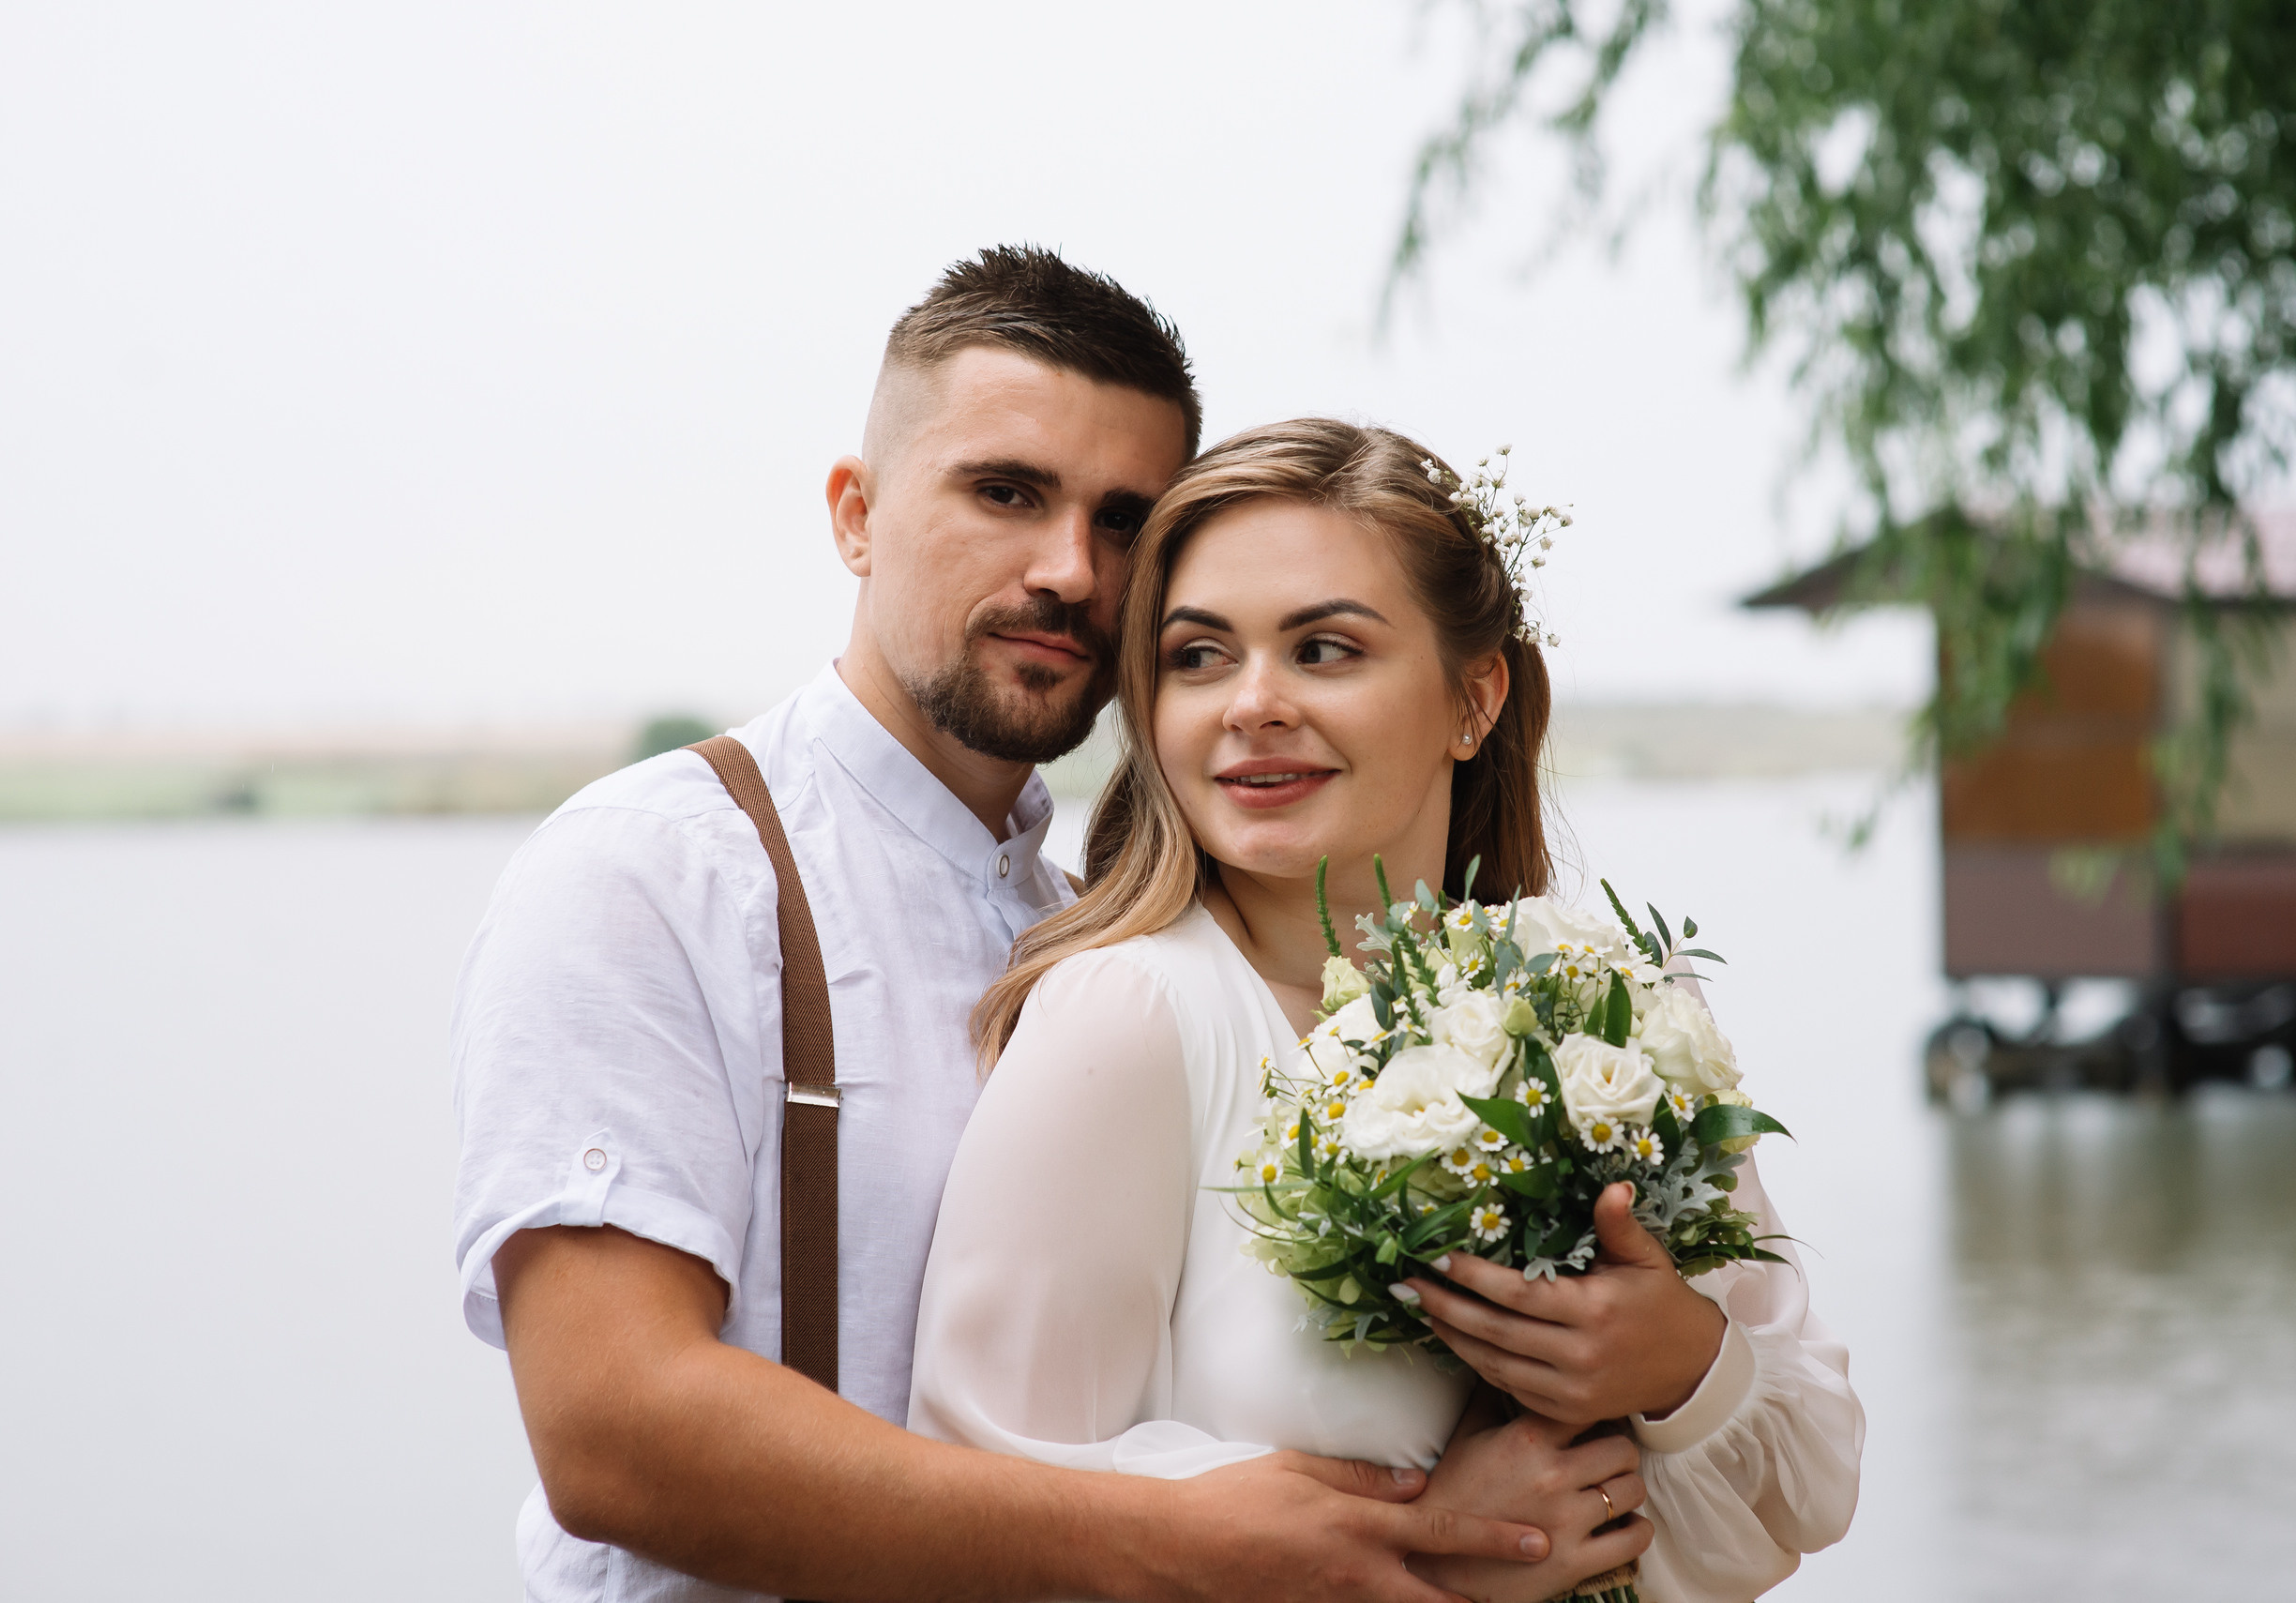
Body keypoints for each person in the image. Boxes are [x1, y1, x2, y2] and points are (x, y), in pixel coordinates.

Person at [450, 249, 1573, 1603]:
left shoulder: (1121, 930)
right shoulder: (654, 876)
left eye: (1123, 524)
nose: (1067, 571)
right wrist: (1197, 1539)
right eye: (1005, 493)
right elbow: (617, 1435)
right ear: (855, 516)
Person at [910, 419, 1866, 1602]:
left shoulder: (1609, 1018)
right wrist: (1421, 1558)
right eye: (1199, 656)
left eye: (1322, 649)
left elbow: (1809, 1492)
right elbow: (992, 1528)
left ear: (1473, 697)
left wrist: (1681, 1362)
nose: (1252, 703)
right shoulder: (1128, 1020)